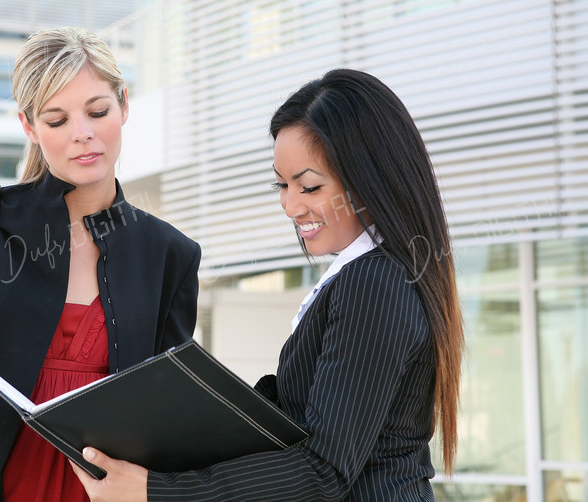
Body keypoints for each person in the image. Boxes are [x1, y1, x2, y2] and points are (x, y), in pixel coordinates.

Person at [71, 68, 465, 501]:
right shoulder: (367, 274)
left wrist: (157, 493)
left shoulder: (373, 282)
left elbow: (323, 470)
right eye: (281, 184)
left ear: (370, 179)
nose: (290, 205)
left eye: (309, 186)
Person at [0, 27, 201, 502]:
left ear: (124, 105)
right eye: (57, 120)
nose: (83, 134)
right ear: (29, 127)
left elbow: (166, 414)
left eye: (97, 111)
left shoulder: (170, 254)